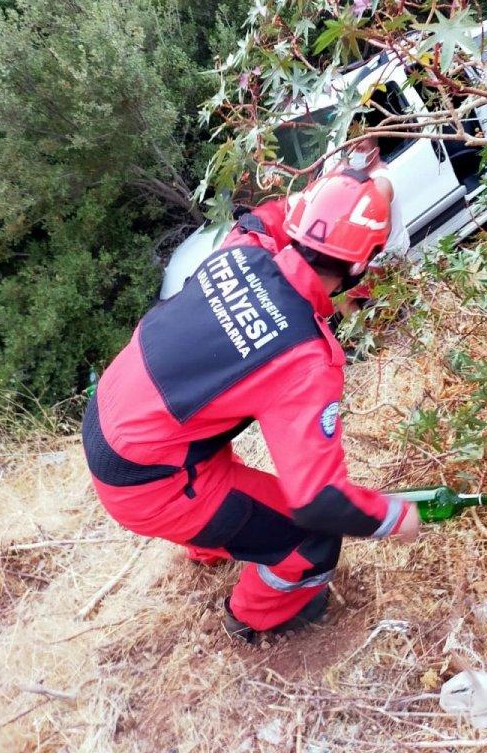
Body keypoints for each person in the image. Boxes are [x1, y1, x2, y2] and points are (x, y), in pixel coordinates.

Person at [82, 170, 421, 643]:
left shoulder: (244, 249)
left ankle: (212, 542)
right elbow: (319, 501)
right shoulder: (304, 357)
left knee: (215, 436)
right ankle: (251, 617)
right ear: (360, 266)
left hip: (112, 413)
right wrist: (394, 516)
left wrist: (343, 187)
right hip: (147, 481)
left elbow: (266, 218)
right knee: (312, 543)